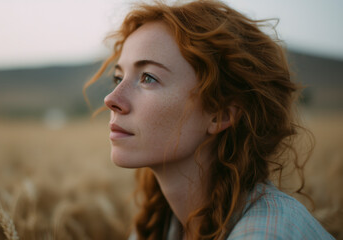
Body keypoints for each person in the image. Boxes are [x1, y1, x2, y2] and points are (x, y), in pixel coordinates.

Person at [84, 0, 334, 239]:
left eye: (148, 77)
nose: (111, 99)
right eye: (118, 78)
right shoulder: (160, 222)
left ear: (221, 114)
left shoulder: (266, 232)